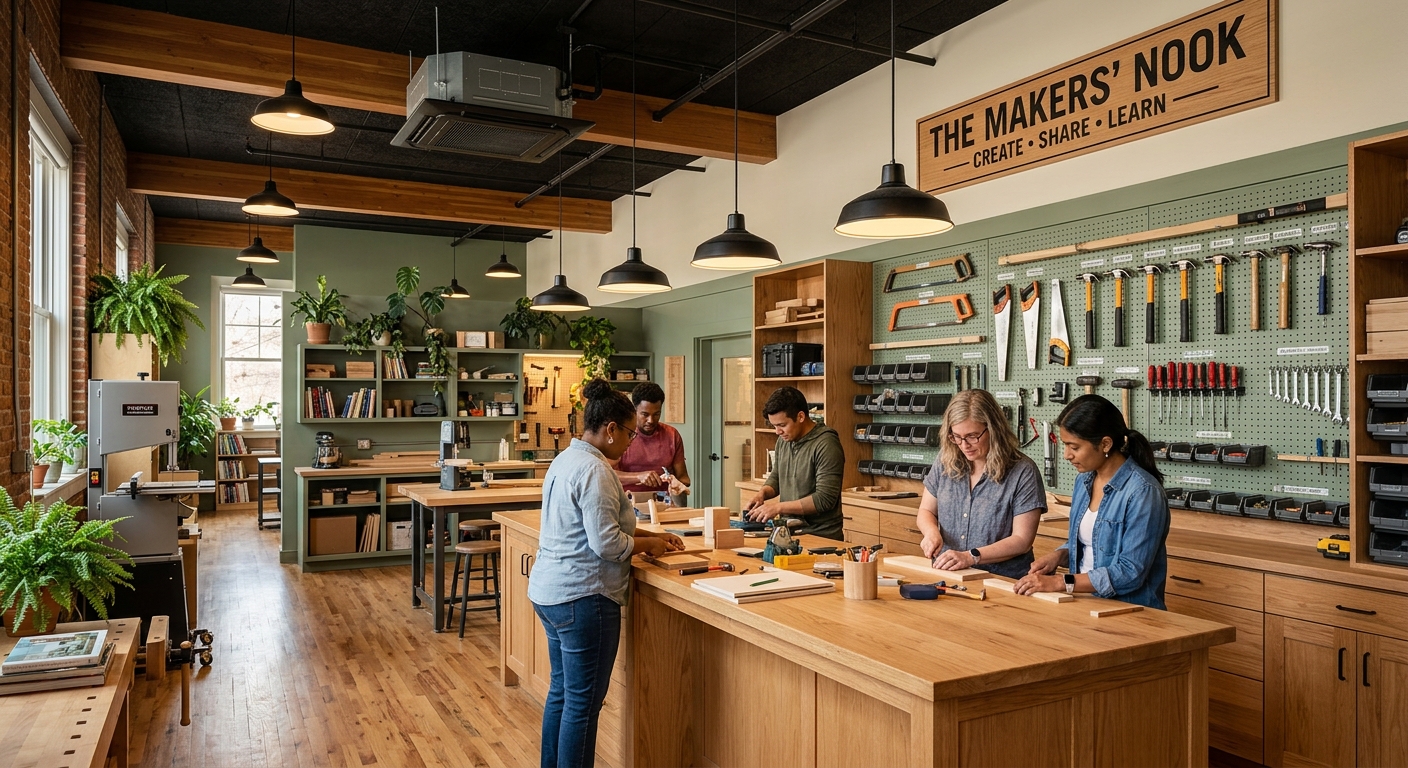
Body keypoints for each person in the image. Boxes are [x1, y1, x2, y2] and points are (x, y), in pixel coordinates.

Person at [528, 379, 684, 767]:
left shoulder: (566, 459)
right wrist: (647, 546)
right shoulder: (596, 471)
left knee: (562, 693)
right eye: (629, 432)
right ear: (610, 428)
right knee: (583, 704)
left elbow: (603, 526)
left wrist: (650, 533)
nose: (632, 441)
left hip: (551, 591)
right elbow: (607, 545)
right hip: (585, 597)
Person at [1014, 394, 1170, 609]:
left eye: (1074, 447)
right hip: (1084, 602)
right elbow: (1092, 544)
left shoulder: (1143, 492)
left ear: (1105, 444)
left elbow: (1130, 572)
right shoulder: (1084, 481)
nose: (1067, 455)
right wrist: (1059, 556)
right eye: (1065, 445)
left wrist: (1061, 581)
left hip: (1128, 610)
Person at [916, 390, 1044, 578]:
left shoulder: (1023, 471)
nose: (964, 444)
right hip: (950, 575)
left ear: (993, 429)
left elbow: (1022, 540)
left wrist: (971, 557)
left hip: (1001, 580)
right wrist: (931, 532)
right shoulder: (946, 460)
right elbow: (926, 511)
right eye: (956, 436)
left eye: (972, 436)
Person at [743, 386, 845, 539]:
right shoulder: (784, 440)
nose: (777, 431)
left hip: (820, 536)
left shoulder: (826, 444)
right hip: (789, 532)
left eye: (782, 425)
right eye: (774, 426)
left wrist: (777, 508)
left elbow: (825, 499)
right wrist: (762, 494)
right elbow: (777, 476)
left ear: (801, 417)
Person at [611, 382, 691, 504]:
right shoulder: (622, 434)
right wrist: (638, 477)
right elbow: (607, 475)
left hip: (664, 504)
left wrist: (676, 483)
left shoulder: (672, 435)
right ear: (634, 410)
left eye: (656, 414)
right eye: (645, 414)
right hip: (628, 504)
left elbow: (684, 478)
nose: (651, 420)